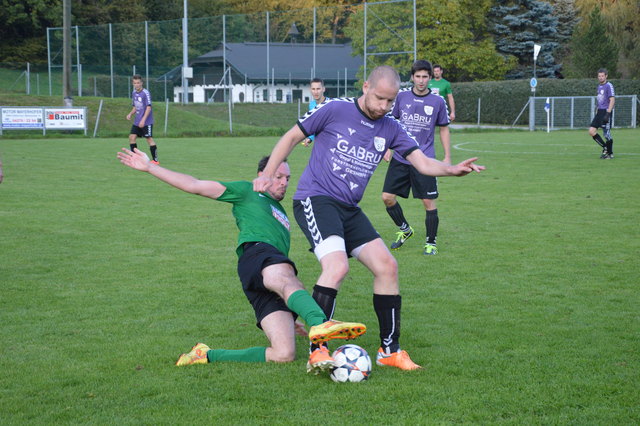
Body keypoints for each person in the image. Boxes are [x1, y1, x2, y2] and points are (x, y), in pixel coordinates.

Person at [253, 65, 484, 371]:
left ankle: (389, 351)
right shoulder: (334, 110)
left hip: (349, 208)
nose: (384, 107)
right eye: (379, 99)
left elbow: (422, 163)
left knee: (387, 266)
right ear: (365, 87)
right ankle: (317, 350)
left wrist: (452, 169)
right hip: (316, 198)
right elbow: (291, 137)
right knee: (337, 266)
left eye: (390, 102)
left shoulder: (391, 127)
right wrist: (268, 176)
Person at [116, 148, 366, 373]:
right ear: (263, 175)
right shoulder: (247, 191)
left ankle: (205, 355)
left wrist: (293, 316)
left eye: (287, 178)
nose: (283, 183)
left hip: (263, 274)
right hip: (257, 254)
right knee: (287, 278)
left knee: (283, 354)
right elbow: (195, 184)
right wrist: (150, 167)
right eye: (278, 176)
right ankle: (321, 323)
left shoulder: (281, 212)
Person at [382, 60, 450, 256]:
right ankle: (405, 229)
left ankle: (431, 243)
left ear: (430, 78)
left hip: (425, 160)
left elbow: (444, 129)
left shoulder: (438, 101)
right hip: (401, 158)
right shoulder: (401, 97)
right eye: (418, 76)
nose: (421, 81)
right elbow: (390, 123)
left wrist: (446, 156)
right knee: (387, 197)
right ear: (412, 77)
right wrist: (386, 147)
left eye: (425, 77)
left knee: (428, 203)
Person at [126, 75, 159, 164]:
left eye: (138, 83)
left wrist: (143, 120)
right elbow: (135, 107)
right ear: (133, 84)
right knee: (132, 137)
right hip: (137, 121)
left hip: (146, 121)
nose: (136, 85)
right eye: (134, 83)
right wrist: (130, 114)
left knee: (149, 139)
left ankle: (155, 160)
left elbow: (149, 107)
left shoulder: (146, 93)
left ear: (141, 83)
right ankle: (134, 157)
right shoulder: (134, 93)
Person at [588, 68, 615, 159]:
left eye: (602, 76)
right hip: (599, 112)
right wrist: (597, 109)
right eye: (599, 76)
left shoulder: (609, 85)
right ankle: (605, 147)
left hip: (606, 111)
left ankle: (610, 154)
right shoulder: (599, 86)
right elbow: (600, 100)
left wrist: (608, 113)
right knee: (591, 131)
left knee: (606, 134)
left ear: (606, 76)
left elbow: (612, 99)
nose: (600, 77)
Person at [300, 78, 328, 147]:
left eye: (318, 89)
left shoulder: (330, 104)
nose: (316, 92)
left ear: (323, 89)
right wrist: (310, 138)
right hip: (319, 143)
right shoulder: (312, 105)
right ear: (310, 90)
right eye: (313, 89)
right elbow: (315, 125)